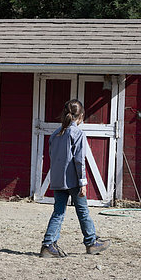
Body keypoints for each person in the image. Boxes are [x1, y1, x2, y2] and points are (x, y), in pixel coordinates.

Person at [40, 99, 110, 258]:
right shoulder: (77, 133)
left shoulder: (55, 134)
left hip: (58, 180)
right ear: (81, 116)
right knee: (83, 211)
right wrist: (83, 182)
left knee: (58, 212)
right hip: (73, 180)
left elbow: (52, 156)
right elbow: (79, 160)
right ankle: (91, 242)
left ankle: (48, 245)